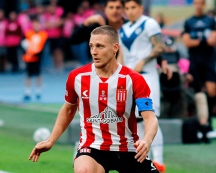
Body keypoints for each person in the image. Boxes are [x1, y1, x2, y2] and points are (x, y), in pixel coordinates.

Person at [29, 25, 159, 173]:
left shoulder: (134, 79)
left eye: (99, 46)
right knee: (83, 171)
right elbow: (68, 109)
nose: (93, 52)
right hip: (93, 147)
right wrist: (51, 140)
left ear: (115, 48)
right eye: (91, 46)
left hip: (128, 148)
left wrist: (147, 140)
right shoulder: (77, 77)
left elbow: (150, 118)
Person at [116, 0, 167, 172]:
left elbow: (160, 46)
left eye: (133, 8)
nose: (130, 11)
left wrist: (143, 61)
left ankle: (159, 161)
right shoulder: (122, 29)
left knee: (150, 117)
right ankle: (148, 162)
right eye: (127, 8)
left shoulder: (149, 23)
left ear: (140, 8)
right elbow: (121, 56)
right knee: (136, 120)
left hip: (147, 76)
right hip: (130, 79)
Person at [182, 0, 216, 143]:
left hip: (209, 61)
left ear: (204, 4)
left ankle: (209, 121)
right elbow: (187, 42)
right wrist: (204, 40)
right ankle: (201, 124)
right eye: (196, 2)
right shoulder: (189, 22)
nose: (199, 5)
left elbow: (213, 41)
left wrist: (196, 40)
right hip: (195, 62)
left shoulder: (211, 21)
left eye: (201, 3)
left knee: (211, 91)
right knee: (198, 93)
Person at [22, 19, 48, 100]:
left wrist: (37, 54)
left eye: (37, 25)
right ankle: (27, 92)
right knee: (28, 75)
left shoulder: (43, 34)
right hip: (29, 57)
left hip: (38, 57)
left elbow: (42, 46)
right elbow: (24, 43)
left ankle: (38, 91)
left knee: (38, 75)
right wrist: (26, 51)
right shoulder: (28, 33)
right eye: (34, 25)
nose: (36, 26)